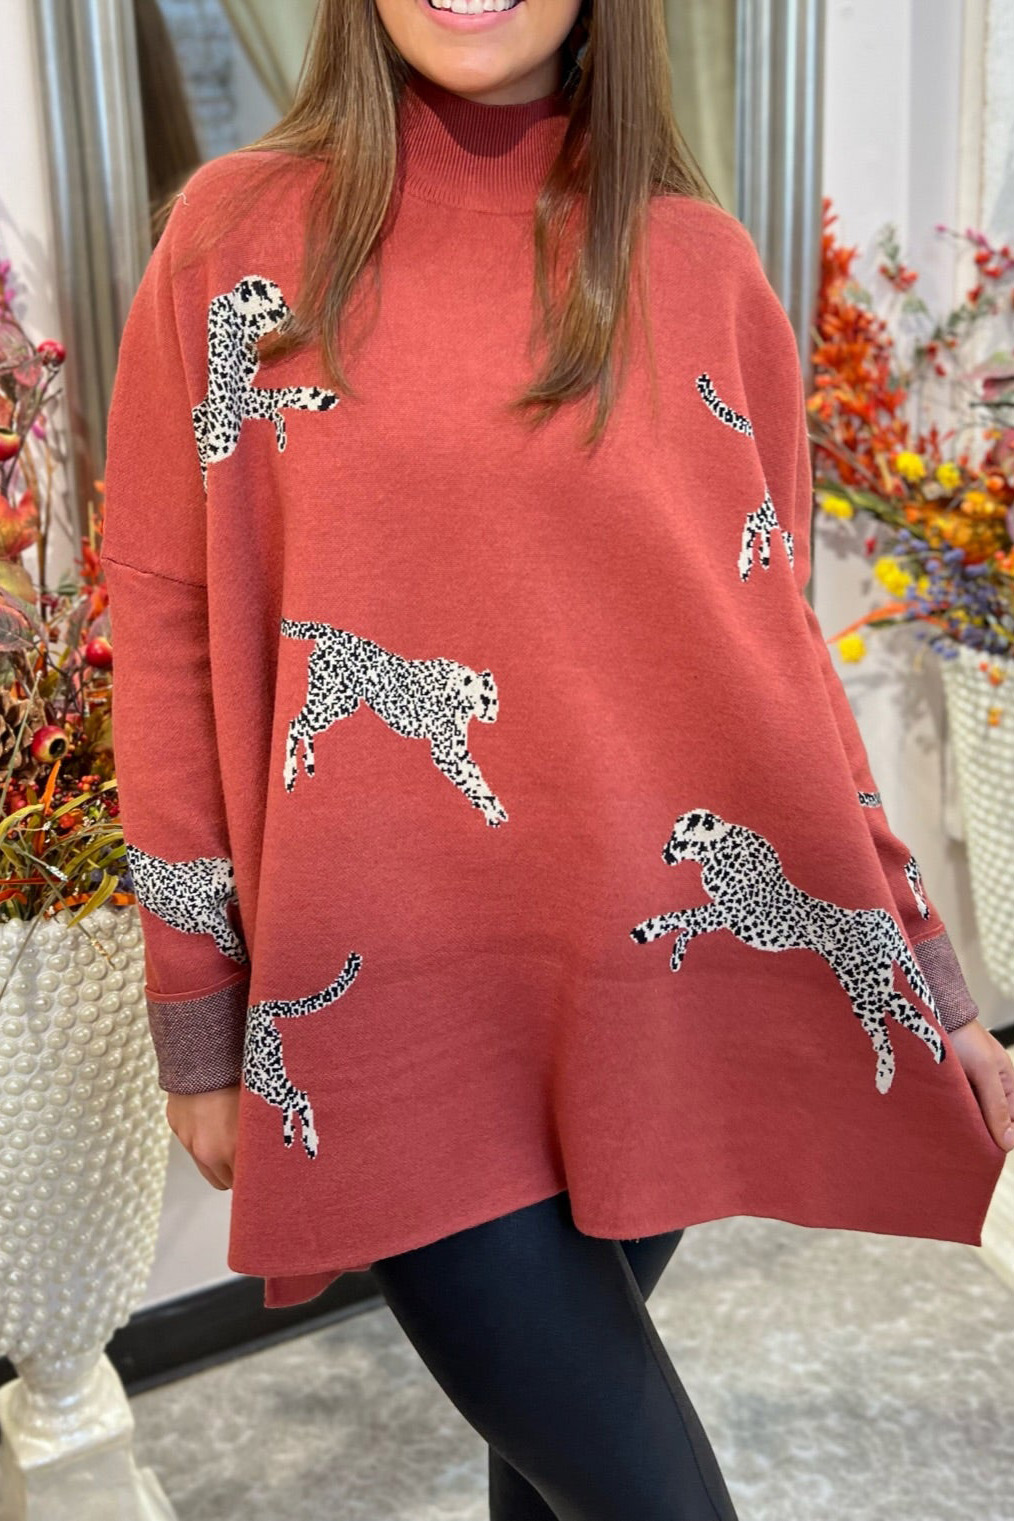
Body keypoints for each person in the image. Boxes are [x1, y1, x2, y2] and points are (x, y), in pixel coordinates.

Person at [101, 1, 1014, 1515]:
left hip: (650, 999)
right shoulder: (234, 241)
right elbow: (169, 622)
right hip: (395, 1014)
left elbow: (773, 655)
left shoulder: (699, 264)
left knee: (555, 1478)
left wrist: (924, 968)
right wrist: (197, 1013)